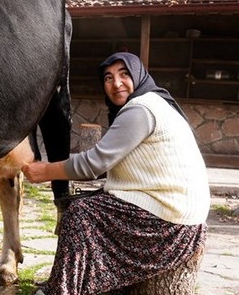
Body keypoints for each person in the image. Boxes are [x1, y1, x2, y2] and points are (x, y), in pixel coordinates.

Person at [22, 51, 210, 295]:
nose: (116, 83)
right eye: (108, 78)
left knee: (80, 214)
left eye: (124, 74)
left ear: (138, 76)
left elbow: (92, 164)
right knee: (91, 203)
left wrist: (45, 171)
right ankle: (77, 284)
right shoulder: (152, 102)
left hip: (171, 226)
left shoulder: (140, 110)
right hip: (177, 216)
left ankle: (60, 291)